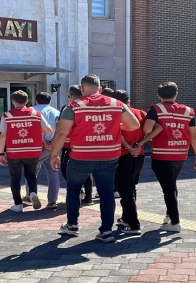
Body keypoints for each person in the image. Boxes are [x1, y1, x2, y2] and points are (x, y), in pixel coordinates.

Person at [50, 74, 140, 242]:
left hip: (80, 157)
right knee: (106, 193)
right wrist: (112, 125)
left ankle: (72, 225)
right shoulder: (116, 104)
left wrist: (54, 155)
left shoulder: (73, 106)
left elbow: (62, 132)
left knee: (74, 189)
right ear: (99, 89)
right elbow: (134, 125)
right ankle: (106, 231)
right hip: (109, 157)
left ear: (82, 89)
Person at [137, 81, 196, 233]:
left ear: (158, 95)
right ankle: (169, 215)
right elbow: (194, 136)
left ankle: (174, 222)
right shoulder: (188, 111)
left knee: (168, 189)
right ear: (176, 95)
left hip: (162, 155)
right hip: (181, 154)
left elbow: (147, 128)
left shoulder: (156, 109)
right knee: (171, 185)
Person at [0, 90, 52, 212]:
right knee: (31, 175)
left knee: (15, 178)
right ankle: (32, 193)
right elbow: (48, 130)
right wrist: (36, 130)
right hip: (33, 150)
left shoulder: (7, 115)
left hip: (14, 152)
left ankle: (18, 205)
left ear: (13, 101)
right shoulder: (36, 114)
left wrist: (1, 153)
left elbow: (3, 136)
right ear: (27, 101)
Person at [111, 89, 146, 235]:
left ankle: (133, 224)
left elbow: (117, 133)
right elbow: (152, 129)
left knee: (125, 190)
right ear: (128, 101)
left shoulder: (114, 115)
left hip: (122, 155)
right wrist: (139, 144)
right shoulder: (141, 113)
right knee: (131, 187)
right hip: (139, 155)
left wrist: (128, 148)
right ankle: (126, 218)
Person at [22, 92, 60, 209]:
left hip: (36, 146)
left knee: (32, 172)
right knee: (53, 173)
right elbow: (61, 130)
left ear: (36, 101)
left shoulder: (30, 111)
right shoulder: (57, 112)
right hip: (54, 145)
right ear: (50, 102)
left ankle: (30, 195)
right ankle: (52, 201)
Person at [58, 85, 94, 205]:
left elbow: (61, 127)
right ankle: (88, 197)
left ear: (72, 96)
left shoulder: (68, 107)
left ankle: (77, 192)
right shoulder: (91, 106)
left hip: (70, 144)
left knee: (66, 169)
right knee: (87, 171)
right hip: (88, 143)